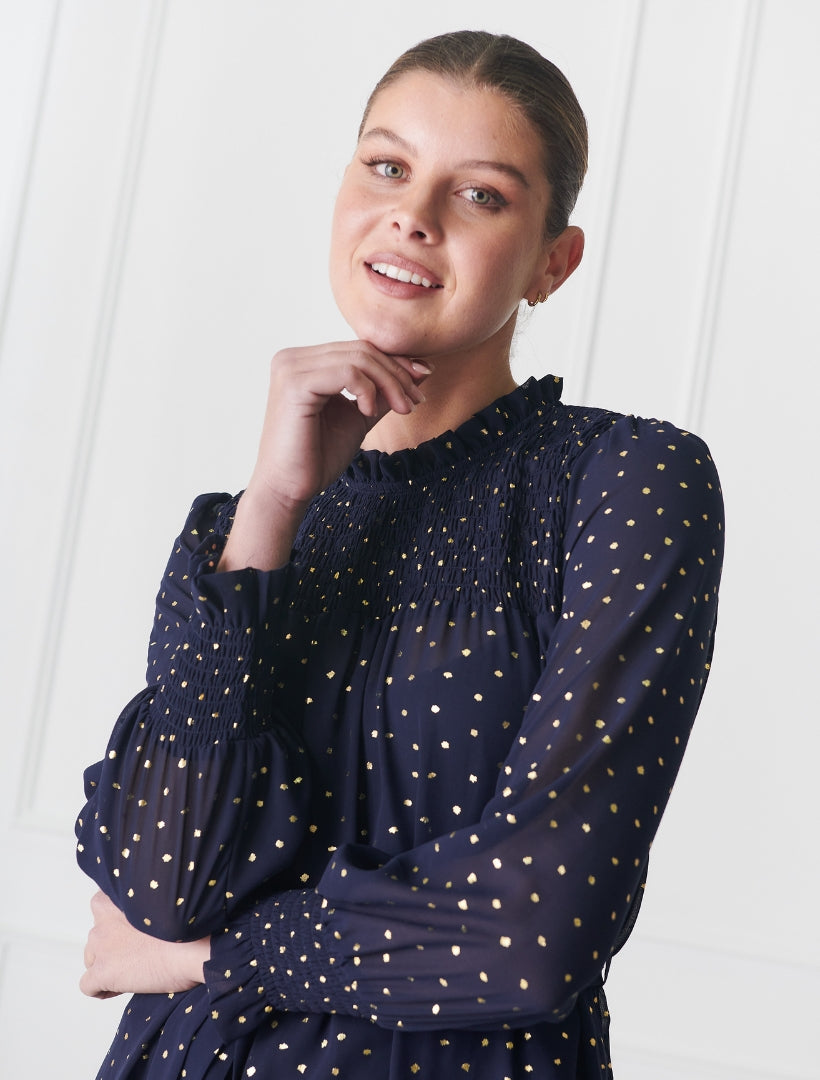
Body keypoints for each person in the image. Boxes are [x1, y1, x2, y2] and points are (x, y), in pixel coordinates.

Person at [76, 29, 724, 1080]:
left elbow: (529, 939)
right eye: (386, 167)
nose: (412, 215)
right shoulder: (254, 527)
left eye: (480, 195)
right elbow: (160, 884)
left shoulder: (624, 480)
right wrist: (273, 503)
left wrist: (207, 960)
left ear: (552, 263)